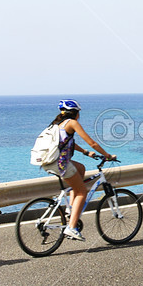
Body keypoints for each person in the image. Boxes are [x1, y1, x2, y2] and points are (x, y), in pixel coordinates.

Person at [40, 100, 116, 242]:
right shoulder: (72, 123)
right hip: (61, 163)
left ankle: (71, 209)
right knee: (82, 191)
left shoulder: (57, 125)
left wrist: (86, 153)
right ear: (76, 113)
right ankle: (72, 227)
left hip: (50, 162)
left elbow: (68, 142)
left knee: (80, 168)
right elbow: (92, 142)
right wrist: (107, 155)